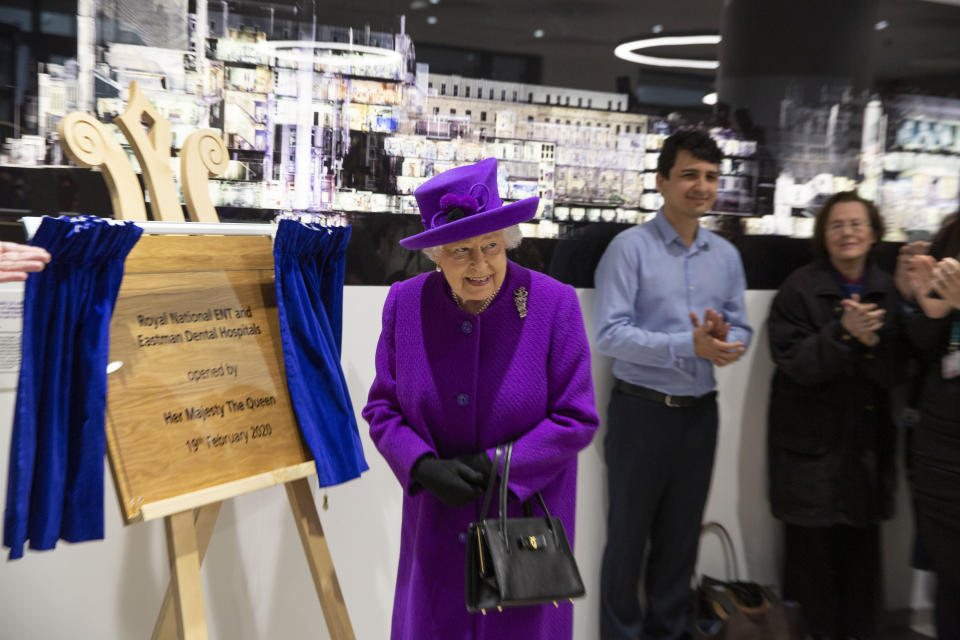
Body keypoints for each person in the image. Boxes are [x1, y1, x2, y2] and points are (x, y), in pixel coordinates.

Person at [362, 157, 599, 640]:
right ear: (435, 255)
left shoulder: (554, 305)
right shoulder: (406, 304)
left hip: (525, 537)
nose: (480, 265)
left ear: (508, 241)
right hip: (436, 532)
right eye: (461, 250)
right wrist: (422, 466)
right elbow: (382, 408)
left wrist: (501, 466)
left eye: (491, 246)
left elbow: (577, 416)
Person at [594, 129, 753, 640]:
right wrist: (690, 345)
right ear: (662, 181)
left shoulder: (725, 257)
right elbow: (610, 334)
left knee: (680, 545)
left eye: (709, 176)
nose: (700, 186)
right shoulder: (629, 249)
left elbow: (741, 324)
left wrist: (729, 343)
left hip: (700, 415)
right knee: (627, 543)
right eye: (688, 174)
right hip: (642, 414)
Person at [766, 192, 903, 640]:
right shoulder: (799, 289)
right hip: (809, 462)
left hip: (865, 461)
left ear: (875, 234)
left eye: (856, 224)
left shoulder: (889, 290)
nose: (847, 233)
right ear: (823, 236)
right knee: (812, 585)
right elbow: (795, 364)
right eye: (837, 225)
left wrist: (871, 344)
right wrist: (843, 333)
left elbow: (899, 372)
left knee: (863, 584)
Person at [900, 213, 960, 639]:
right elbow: (922, 346)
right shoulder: (952, 234)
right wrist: (929, 306)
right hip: (941, 459)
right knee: (951, 584)